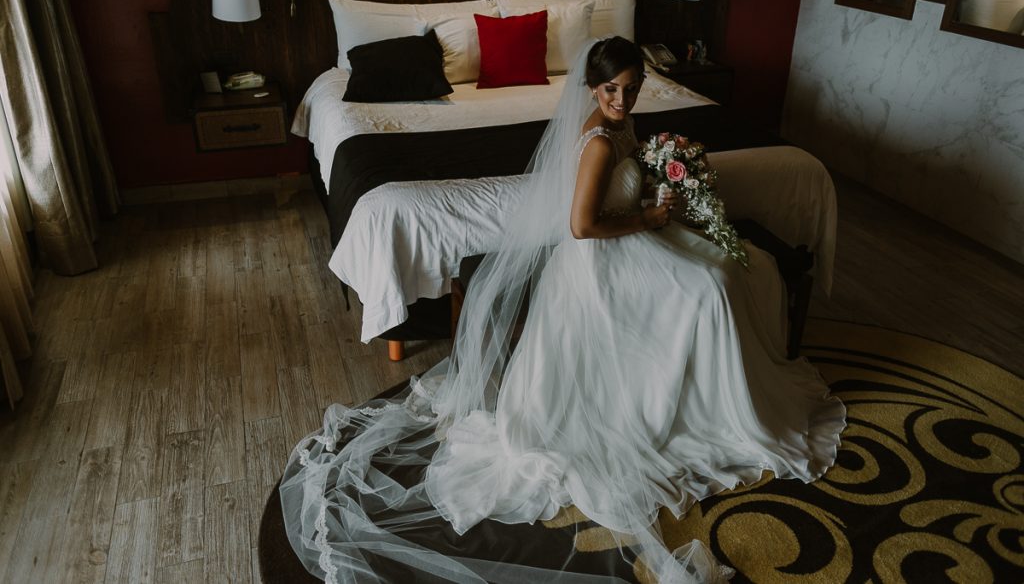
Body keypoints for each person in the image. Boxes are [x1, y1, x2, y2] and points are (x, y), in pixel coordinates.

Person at [280, 37, 846, 583]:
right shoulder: (598, 141)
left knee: (738, 267)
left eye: (631, 89)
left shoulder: (625, 126)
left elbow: (625, 190)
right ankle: (707, 404)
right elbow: (581, 227)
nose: (621, 101)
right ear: (592, 89)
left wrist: (659, 199)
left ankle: (712, 386)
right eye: (610, 91)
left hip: (633, 238)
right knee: (708, 289)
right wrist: (648, 218)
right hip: (604, 257)